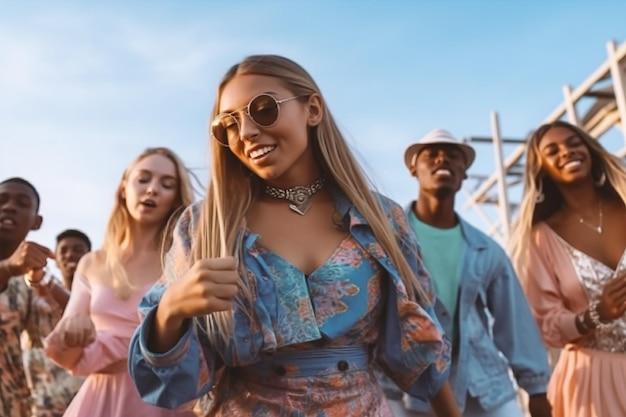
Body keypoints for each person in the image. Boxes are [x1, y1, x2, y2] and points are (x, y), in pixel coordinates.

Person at [128, 54, 457, 417]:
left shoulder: (383, 219)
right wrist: (170, 310)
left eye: (263, 109)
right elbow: (173, 385)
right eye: (229, 124)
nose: (247, 131)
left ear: (312, 109)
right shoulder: (203, 226)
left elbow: (422, 351)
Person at [390, 129, 552, 417]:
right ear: (413, 168)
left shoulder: (485, 249)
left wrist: (537, 389)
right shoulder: (388, 237)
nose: (443, 160)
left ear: (464, 173)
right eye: (431, 155)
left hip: (480, 382)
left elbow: (513, 319)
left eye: (454, 156)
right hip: (404, 384)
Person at [43, 147, 196, 417]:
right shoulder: (92, 262)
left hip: (165, 403)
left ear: (175, 199)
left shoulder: (186, 260)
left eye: (166, 184)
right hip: (99, 402)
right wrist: (74, 333)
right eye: (143, 179)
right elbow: (69, 361)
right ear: (124, 187)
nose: (152, 189)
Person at [510, 120, 626, 417]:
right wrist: (598, 313)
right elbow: (547, 325)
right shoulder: (541, 238)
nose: (566, 152)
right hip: (594, 382)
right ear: (542, 169)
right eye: (553, 150)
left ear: (589, 149)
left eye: (574, 143)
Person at [0, 177, 70, 417]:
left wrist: (44, 280)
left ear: (37, 222)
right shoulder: (12, 270)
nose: (9, 207)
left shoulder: (36, 280)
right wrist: (8, 267)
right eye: (2, 201)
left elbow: (78, 322)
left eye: (22, 203)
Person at [23, 229, 91, 417]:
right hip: (44, 403)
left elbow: (77, 309)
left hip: (87, 401)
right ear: (55, 257)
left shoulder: (101, 299)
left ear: (90, 257)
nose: (70, 254)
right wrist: (34, 277)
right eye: (64, 250)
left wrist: (46, 281)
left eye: (78, 250)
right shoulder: (37, 296)